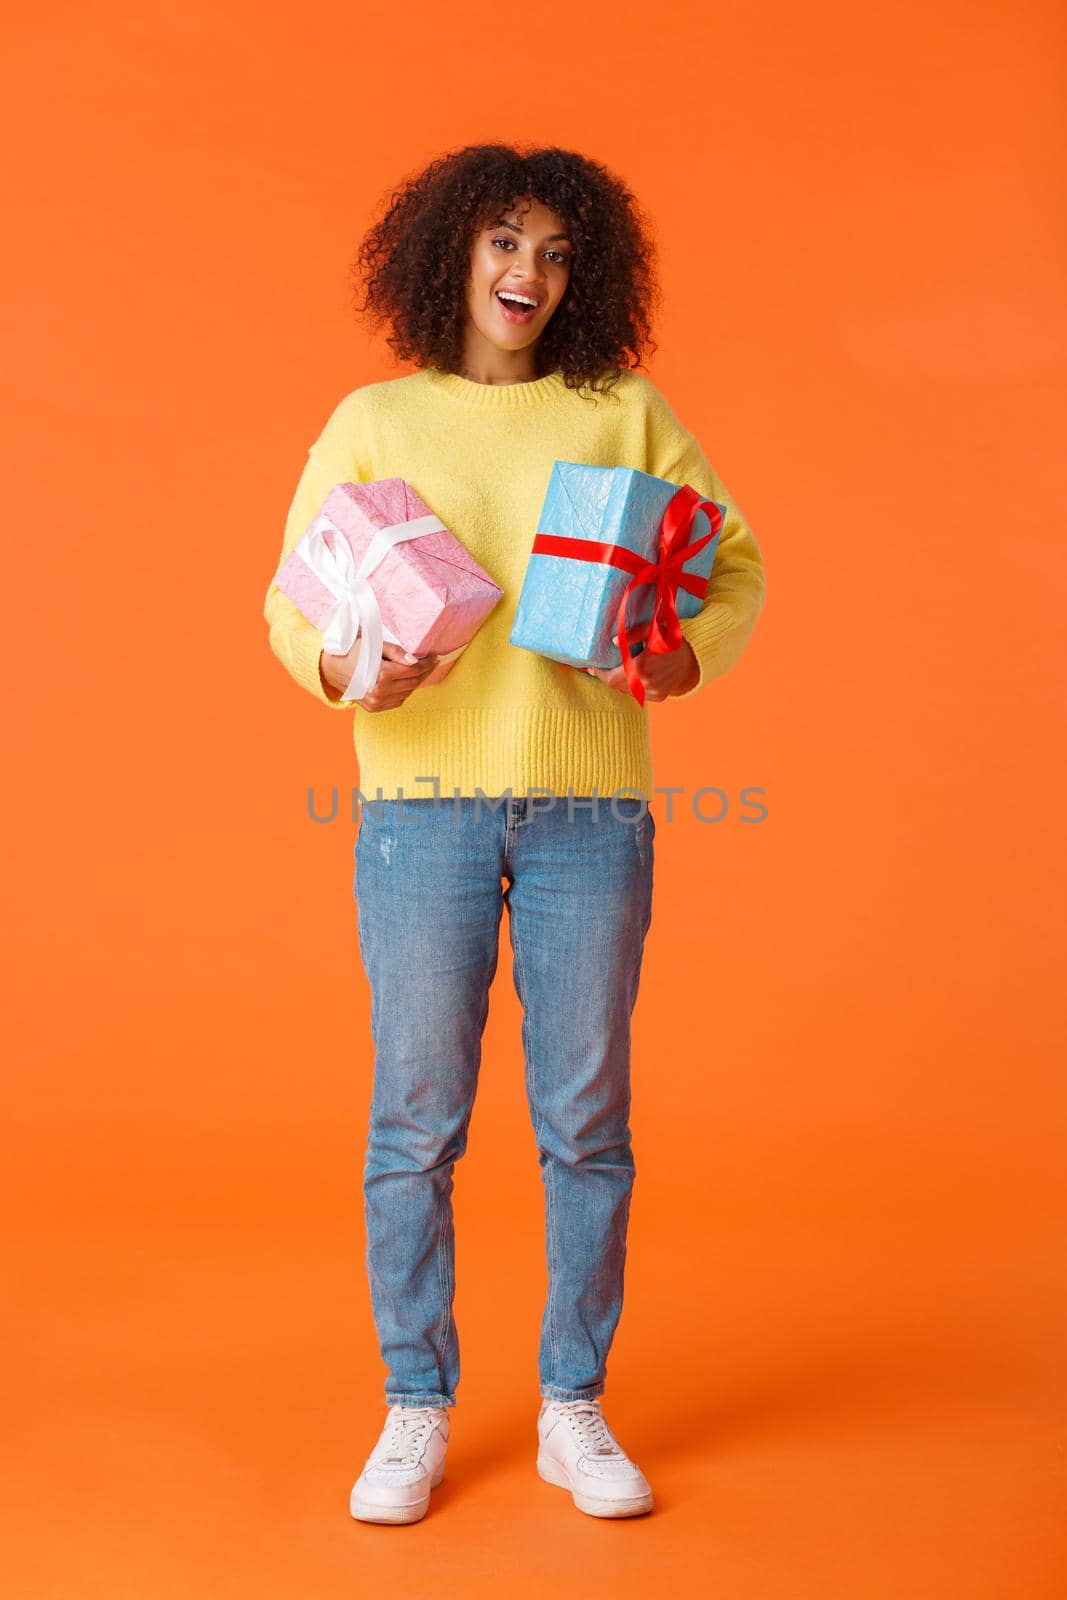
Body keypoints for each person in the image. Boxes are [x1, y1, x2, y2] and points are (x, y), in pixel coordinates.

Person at [264, 142, 766, 1525]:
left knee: (585, 1119)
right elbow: (291, 606)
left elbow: (733, 564)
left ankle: (572, 1406)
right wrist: (356, 668)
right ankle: (415, 1405)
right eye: (501, 243)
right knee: (416, 1120)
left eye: (552, 251)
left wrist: (682, 661)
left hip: (591, 813)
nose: (526, 274)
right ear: (449, 257)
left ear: (581, 273)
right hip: (417, 811)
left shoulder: (624, 412)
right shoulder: (373, 419)